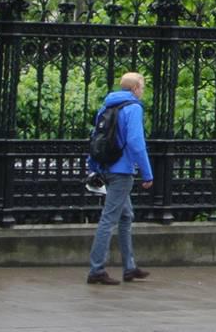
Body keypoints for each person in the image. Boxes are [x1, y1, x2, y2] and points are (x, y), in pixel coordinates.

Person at [85, 72, 153, 285]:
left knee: (125, 216)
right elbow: (135, 142)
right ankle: (96, 269)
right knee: (109, 219)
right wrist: (147, 172)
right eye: (142, 87)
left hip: (106, 166)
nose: (143, 91)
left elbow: (96, 137)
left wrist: (94, 166)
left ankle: (129, 267)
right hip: (122, 171)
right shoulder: (133, 108)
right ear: (135, 89)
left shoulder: (107, 106)